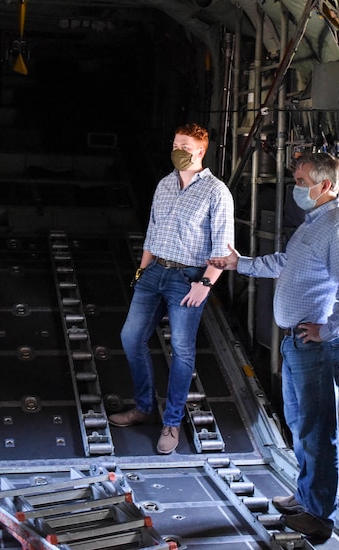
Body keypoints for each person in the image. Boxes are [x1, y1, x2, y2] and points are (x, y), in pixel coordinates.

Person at [209, 151, 339, 541]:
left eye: (300, 182)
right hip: (298, 343)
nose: (294, 189)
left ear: (325, 185)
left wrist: (326, 330)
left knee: (316, 431)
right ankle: (305, 496)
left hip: (315, 347)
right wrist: (239, 263)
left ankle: (317, 518)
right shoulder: (313, 223)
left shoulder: (337, 228)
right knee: (300, 426)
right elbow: (286, 263)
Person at [108, 123, 234, 454]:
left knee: (182, 350)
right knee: (130, 337)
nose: (178, 150)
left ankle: (172, 422)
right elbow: (152, 232)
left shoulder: (216, 192)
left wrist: (205, 284)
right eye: (175, 143)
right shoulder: (165, 184)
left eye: (186, 146)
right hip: (154, 272)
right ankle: (144, 407)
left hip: (188, 277)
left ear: (201, 151)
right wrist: (142, 269)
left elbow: (222, 248)